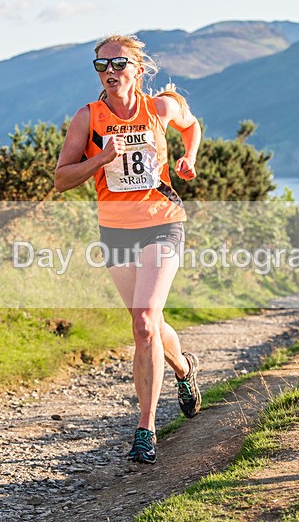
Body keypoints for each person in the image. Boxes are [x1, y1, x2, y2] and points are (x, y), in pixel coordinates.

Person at [55, 34, 202, 464]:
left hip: (162, 223)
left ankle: (146, 428)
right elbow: (62, 178)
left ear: (138, 70)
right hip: (115, 232)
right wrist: (99, 159)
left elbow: (191, 125)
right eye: (101, 66)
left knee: (143, 322)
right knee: (149, 324)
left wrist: (188, 157)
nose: (110, 72)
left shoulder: (160, 107)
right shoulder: (88, 118)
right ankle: (184, 369)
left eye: (119, 64)